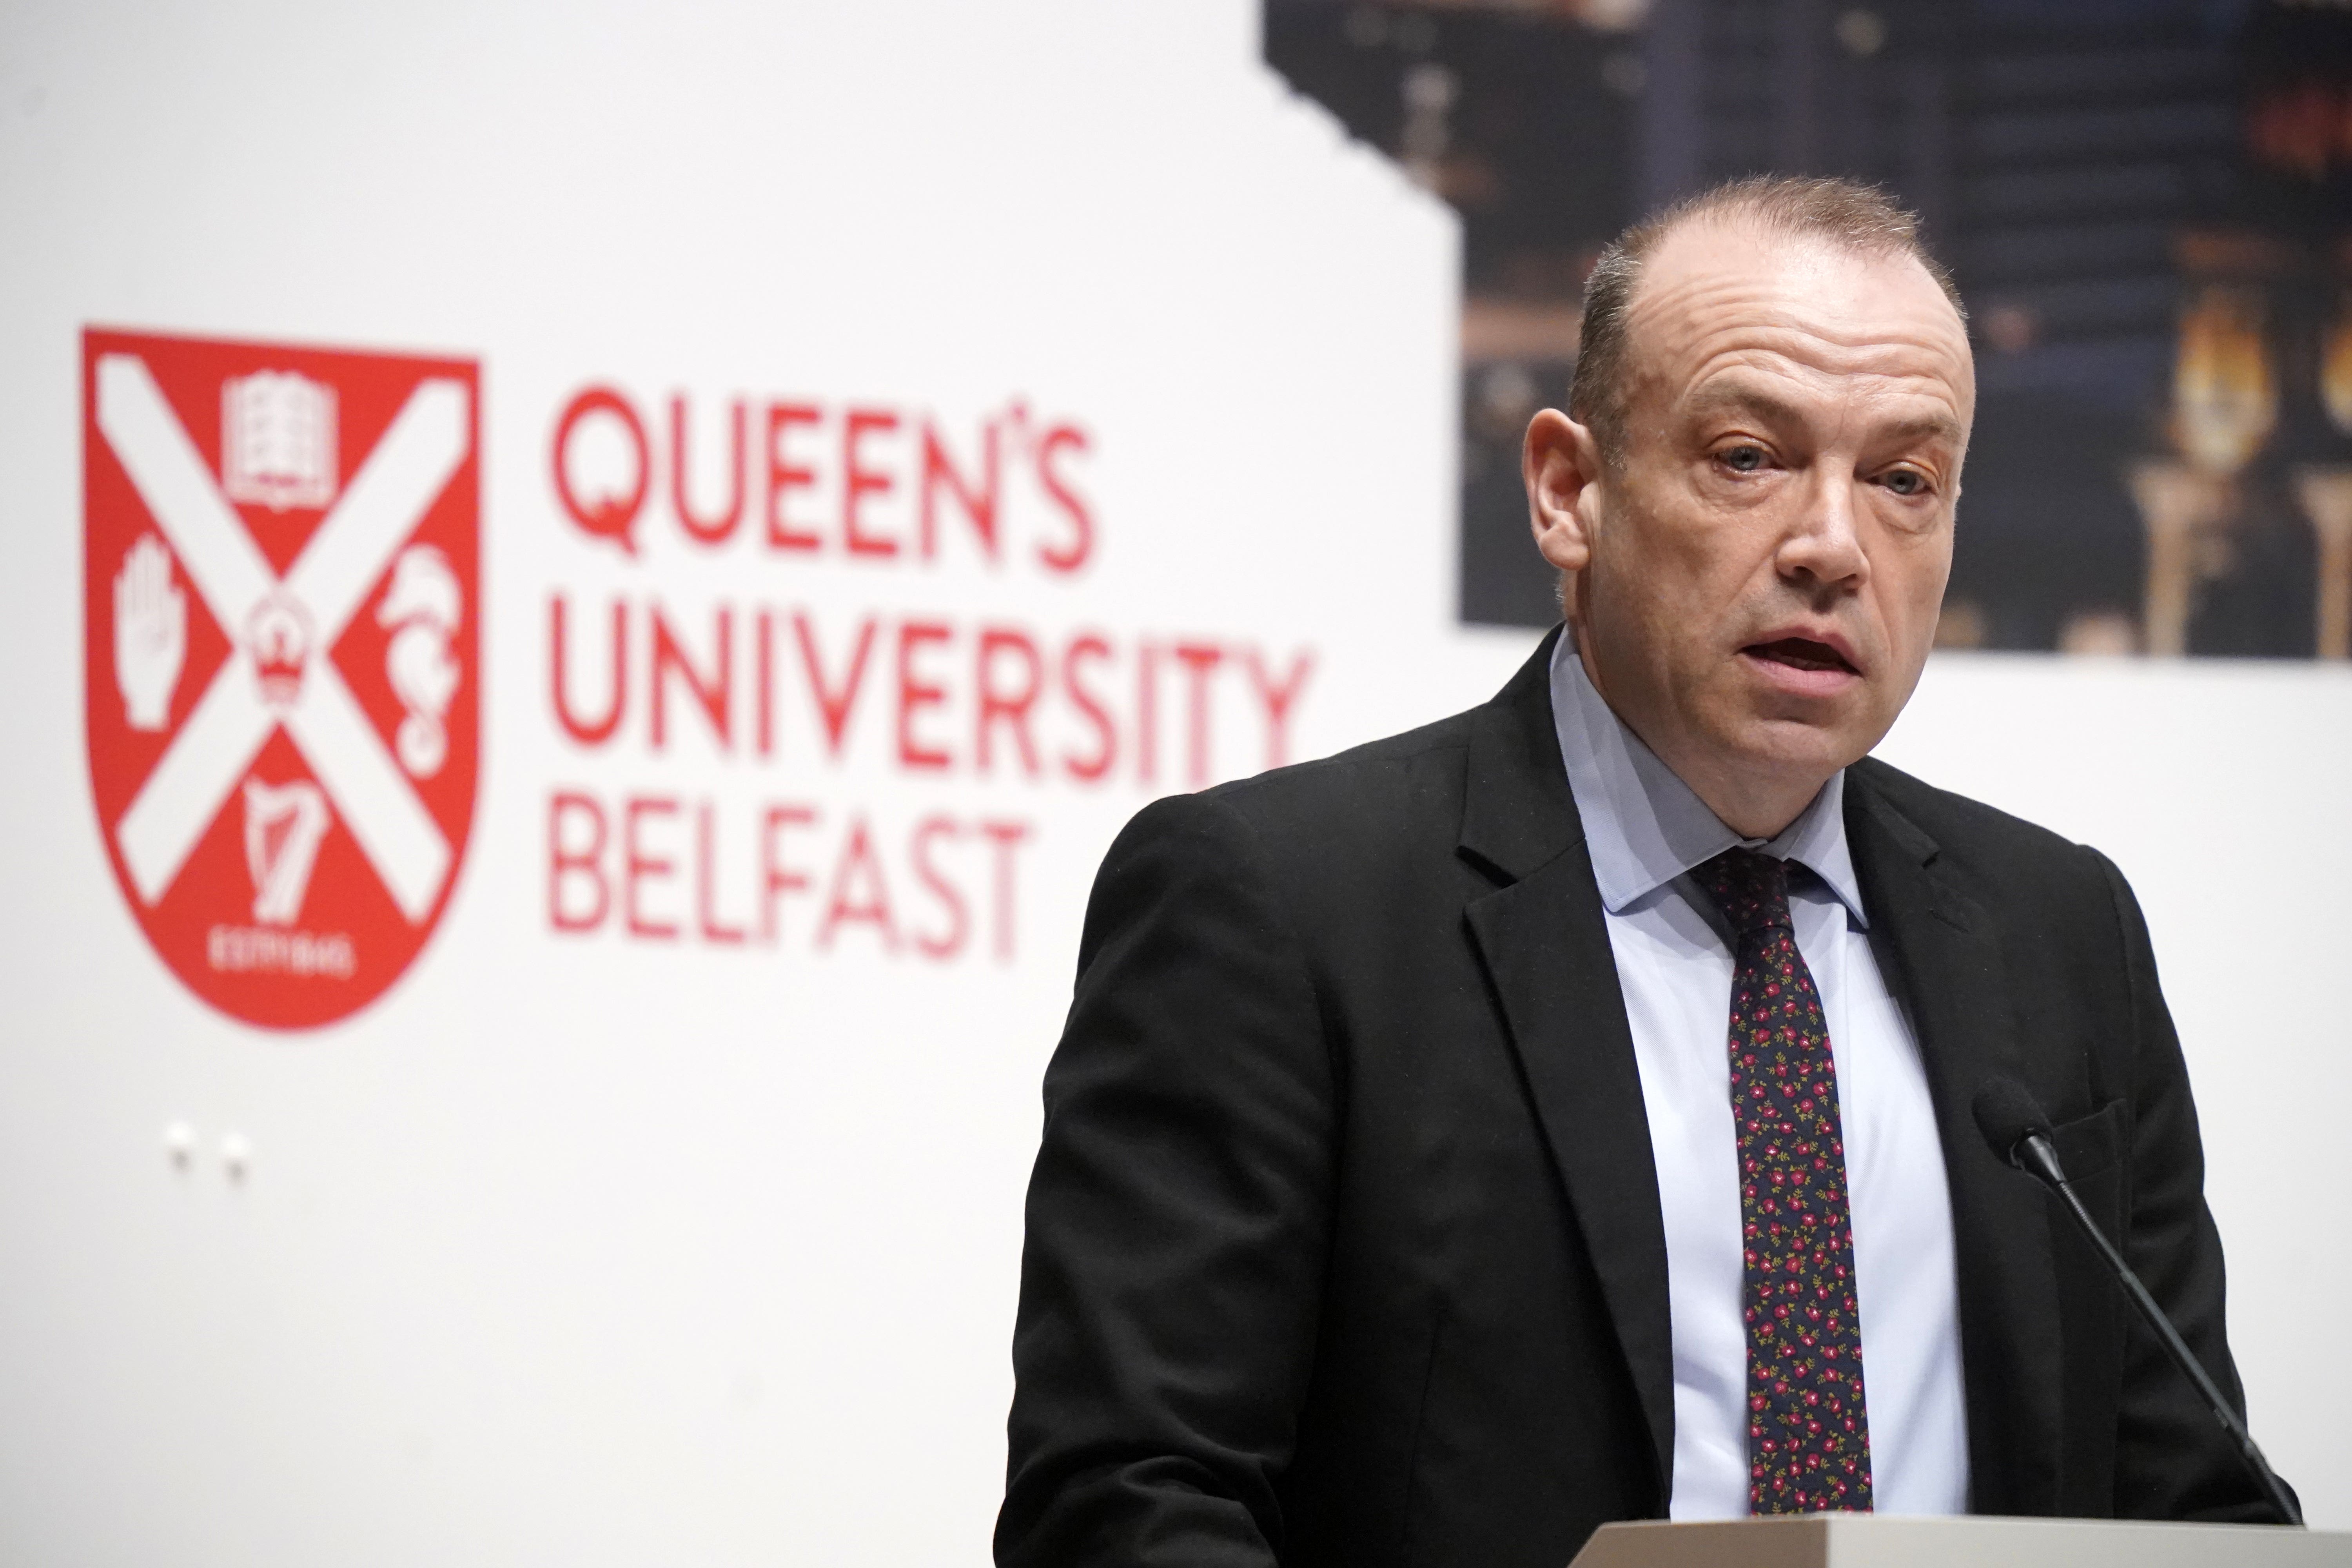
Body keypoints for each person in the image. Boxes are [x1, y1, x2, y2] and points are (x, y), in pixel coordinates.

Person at [995, 175, 2283, 1568]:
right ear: (1569, 492)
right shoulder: (1280, 909)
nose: (1833, 548)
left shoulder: (2059, 936)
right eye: (1748, 456)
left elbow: (2188, 1506)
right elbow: (1128, 1506)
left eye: (1904, 481)